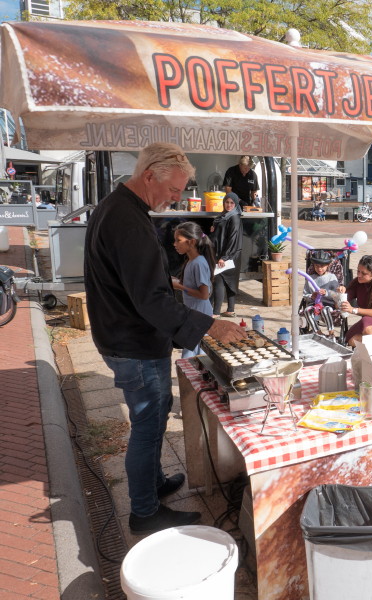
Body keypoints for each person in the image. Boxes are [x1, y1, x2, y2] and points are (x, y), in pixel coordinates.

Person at [84, 143, 246, 534]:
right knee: (149, 423)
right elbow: (151, 301)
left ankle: (153, 483)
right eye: (175, 190)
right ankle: (143, 510)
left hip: (126, 336)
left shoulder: (121, 208)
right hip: (132, 342)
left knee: (155, 416)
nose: (178, 198)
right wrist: (211, 326)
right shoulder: (127, 220)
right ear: (150, 175)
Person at [172, 222, 215, 358]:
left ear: (191, 242)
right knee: (194, 351)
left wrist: (179, 286)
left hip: (200, 314)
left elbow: (204, 294)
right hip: (194, 312)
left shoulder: (199, 263)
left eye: (178, 240)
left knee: (192, 353)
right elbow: (192, 286)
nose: (175, 244)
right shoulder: (191, 261)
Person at [210, 192, 243, 317]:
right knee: (230, 282)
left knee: (218, 280)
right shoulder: (225, 215)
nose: (229, 205)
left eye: (231, 203)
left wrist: (224, 257)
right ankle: (230, 310)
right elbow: (221, 231)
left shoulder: (234, 217)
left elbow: (232, 239)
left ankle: (216, 312)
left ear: (235, 204)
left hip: (229, 255)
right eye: (227, 202)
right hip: (228, 254)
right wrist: (214, 228)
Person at [303, 250, 340, 333]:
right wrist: (311, 296)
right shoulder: (310, 278)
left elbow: (336, 295)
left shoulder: (331, 277)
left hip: (328, 304)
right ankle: (317, 331)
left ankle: (331, 332)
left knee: (325, 310)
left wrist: (326, 293)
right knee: (306, 310)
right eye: (316, 266)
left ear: (328, 265)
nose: (319, 269)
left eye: (322, 266)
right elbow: (305, 295)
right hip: (314, 304)